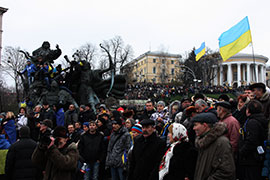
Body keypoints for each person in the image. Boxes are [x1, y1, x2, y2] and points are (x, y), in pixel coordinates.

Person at [192, 113, 235, 180]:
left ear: (205, 125)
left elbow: (226, 170)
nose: (194, 128)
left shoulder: (222, 142)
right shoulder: (202, 142)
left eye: (195, 125)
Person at [238, 100, 268, 180]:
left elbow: (251, 141)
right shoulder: (261, 119)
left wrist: (241, 152)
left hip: (250, 159)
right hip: (257, 156)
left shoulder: (252, 122)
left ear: (248, 110)